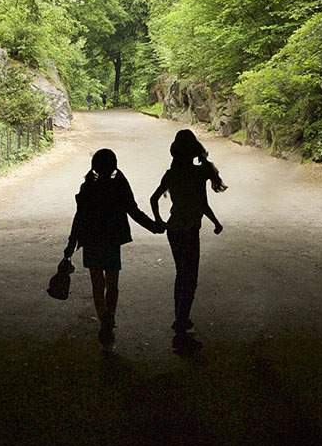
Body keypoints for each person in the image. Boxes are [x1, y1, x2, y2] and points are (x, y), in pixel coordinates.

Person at [63, 148, 164, 347]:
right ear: (113, 166)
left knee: (97, 284)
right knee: (112, 283)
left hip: (91, 240)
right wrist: (154, 227)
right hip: (111, 241)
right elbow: (134, 211)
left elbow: (79, 217)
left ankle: (103, 318)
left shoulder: (88, 187)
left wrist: (71, 243)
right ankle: (111, 315)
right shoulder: (119, 186)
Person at [150, 129, 227, 347]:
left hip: (174, 230)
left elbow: (153, 198)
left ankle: (180, 319)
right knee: (190, 279)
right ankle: (181, 330)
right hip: (191, 230)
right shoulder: (199, 173)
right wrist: (215, 222)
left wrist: (159, 221)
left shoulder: (171, 174)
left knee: (181, 275)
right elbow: (202, 203)